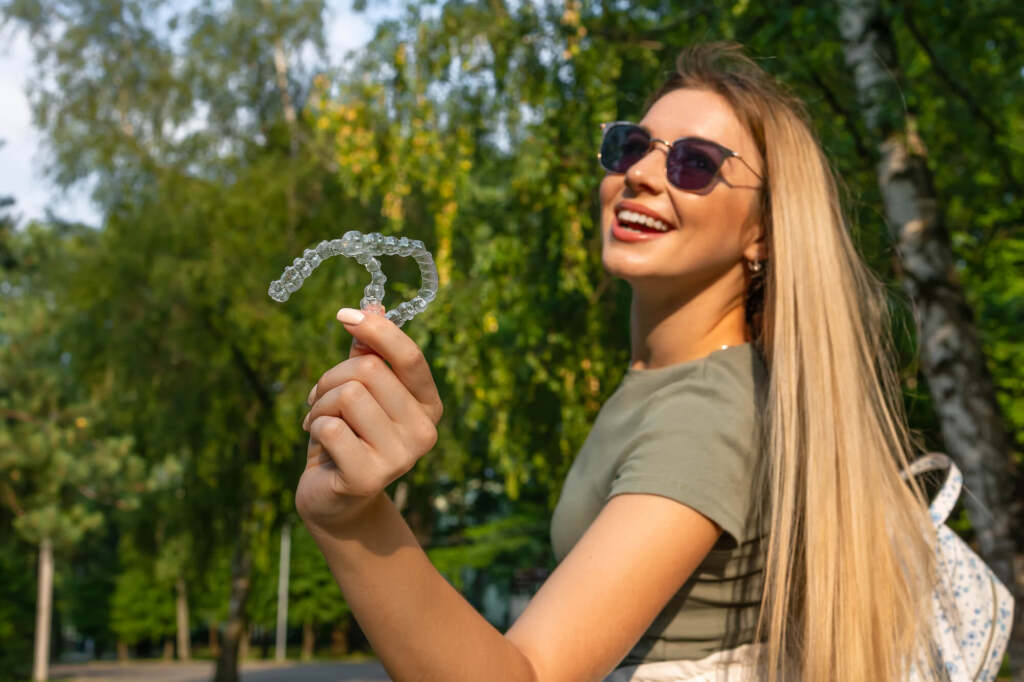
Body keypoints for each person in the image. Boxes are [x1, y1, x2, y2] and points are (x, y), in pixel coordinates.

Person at [296, 42, 939, 681]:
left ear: (762, 232)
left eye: (695, 163)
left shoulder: (708, 412)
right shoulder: (673, 383)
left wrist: (352, 516)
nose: (641, 174)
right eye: (631, 146)